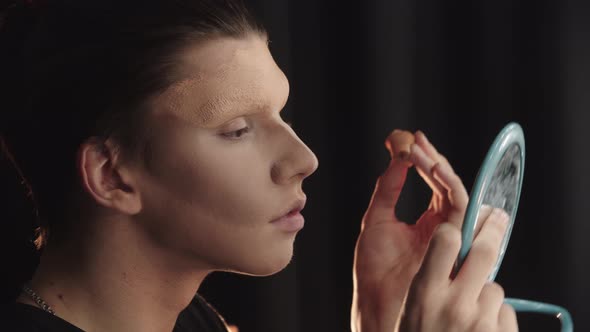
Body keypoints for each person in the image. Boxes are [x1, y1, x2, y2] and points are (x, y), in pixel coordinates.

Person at [0, 0, 518, 331]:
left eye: (279, 113)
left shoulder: (194, 323)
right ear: (110, 175)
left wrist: (381, 321)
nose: (304, 159)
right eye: (237, 130)